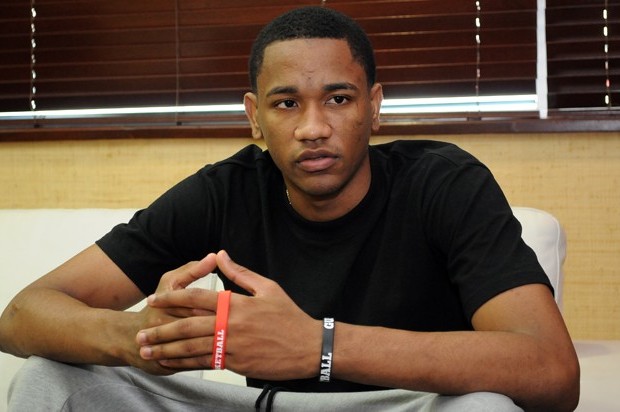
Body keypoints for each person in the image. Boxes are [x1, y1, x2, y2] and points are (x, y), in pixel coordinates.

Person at [0, 6, 579, 412]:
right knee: (50, 380)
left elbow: (552, 370)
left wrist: (319, 346)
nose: (312, 128)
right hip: (264, 404)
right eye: (286, 104)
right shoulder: (225, 190)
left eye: (338, 98)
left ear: (374, 106)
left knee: (483, 407)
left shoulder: (445, 182)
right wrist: (141, 338)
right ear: (255, 116)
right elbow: (22, 315)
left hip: (404, 404)